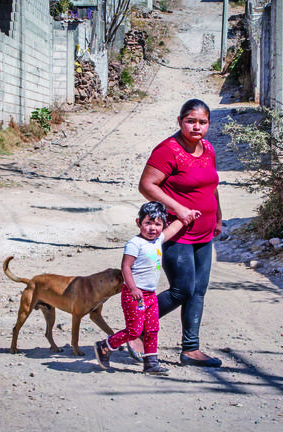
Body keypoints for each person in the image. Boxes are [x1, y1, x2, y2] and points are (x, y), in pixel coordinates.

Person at [132, 99, 223, 368]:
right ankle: (135, 330)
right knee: (182, 289)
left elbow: (212, 186)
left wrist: (218, 216)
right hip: (176, 231)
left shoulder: (207, 148)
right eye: (191, 121)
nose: (197, 127)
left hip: (204, 232)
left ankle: (191, 349)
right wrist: (179, 208)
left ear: (208, 124)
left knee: (198, 291)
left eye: (202, 122)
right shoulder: (167, 150)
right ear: (180, 121)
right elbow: (146, 185)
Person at [94, 201, 199, 375]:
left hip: (150, 295)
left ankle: (150, 363)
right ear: (138, 223)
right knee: (134, 330)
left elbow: (173, 229)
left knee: (152, 329)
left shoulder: (158, 240)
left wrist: (187, 218)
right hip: (134, 295)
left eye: (158, 224)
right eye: (148, 223)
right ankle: (105, 346)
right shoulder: (134, 244)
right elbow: (126, 267)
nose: (153, 228)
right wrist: (133, 288)